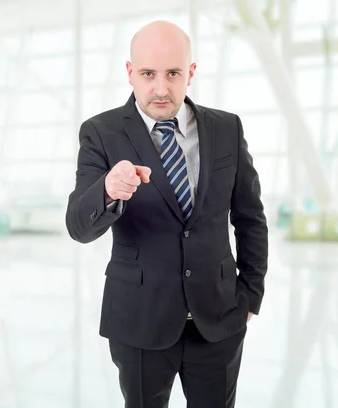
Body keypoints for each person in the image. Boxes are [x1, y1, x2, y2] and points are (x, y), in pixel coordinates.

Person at [66, 20, 268, 408]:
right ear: (130, 74)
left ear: (190, 72)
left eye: (173, 73)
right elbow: (78, 226)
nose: (161, 88)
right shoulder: (101, 132)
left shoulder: (227, 128)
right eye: (148, 74)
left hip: (219, 319)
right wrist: (107, 190)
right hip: (140, 320)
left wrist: (250, 296)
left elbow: (250, 218)